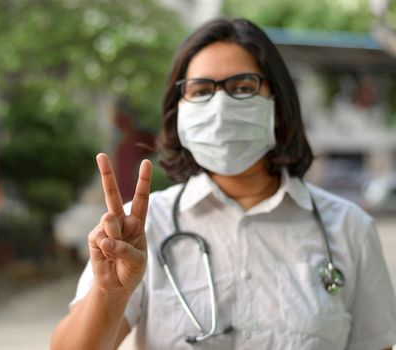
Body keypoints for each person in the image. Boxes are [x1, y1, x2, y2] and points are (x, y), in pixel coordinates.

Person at [51, 17, 396, 350]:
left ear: (278, 104)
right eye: (201, 90)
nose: (220, 106)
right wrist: (110, 294)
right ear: (179, 111)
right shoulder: (141, 228)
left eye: (243, 87)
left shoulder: (349, 229)